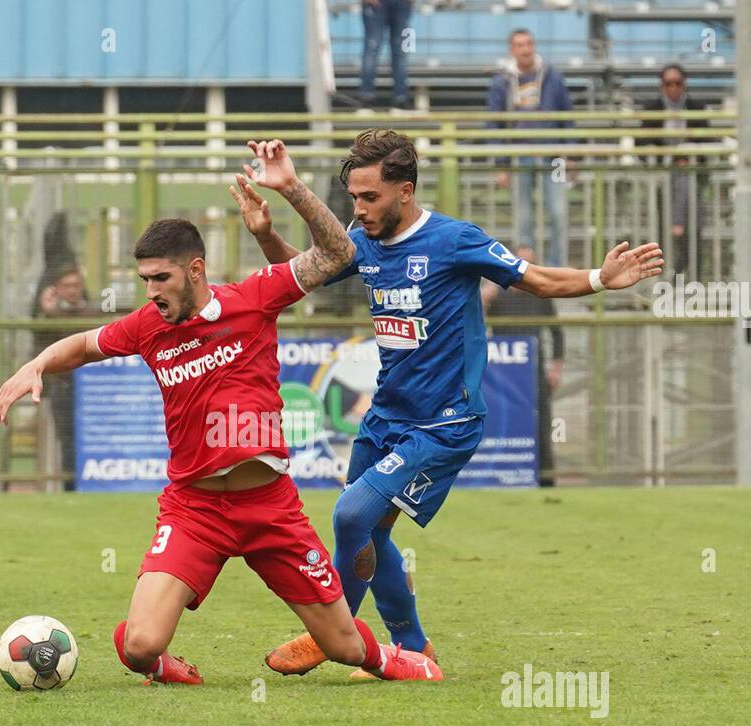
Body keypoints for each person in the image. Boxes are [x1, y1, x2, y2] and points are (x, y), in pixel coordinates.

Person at [0, 139, 442, 686]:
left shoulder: (254, 297)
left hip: (269, 508)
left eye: (162, 279)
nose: (152, 292)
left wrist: (292, 189)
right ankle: (163, 664)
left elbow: (337, 256)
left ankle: (396, 657)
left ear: (195, 269)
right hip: (194, 510)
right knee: (138, 647)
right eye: (145, 281)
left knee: (345, 648)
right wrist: (36, 362)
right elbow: (85, 345)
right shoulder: (147, 326)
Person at [237, 128, 661, 676]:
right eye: (354, 198)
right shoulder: (361, 239)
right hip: (386, 414)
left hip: (443, 422)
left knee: (351, 515)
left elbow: (535, 280)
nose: (359, 209)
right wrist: (267, 236)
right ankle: (413, 644)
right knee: (372, 529)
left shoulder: (454, 240)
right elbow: (309, 273)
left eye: (370, 198)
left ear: (405, 192)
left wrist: (600, 278)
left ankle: (332, 632)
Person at [488, 29, 574, 267]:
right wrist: (501, 165)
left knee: (558, 213)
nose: (525, 49)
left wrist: (572, 155)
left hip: (553, 156)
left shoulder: (552, 76)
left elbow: (567, 116)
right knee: (523, 217)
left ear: (533, 45)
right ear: (512, 49)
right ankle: (526, 271)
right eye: (519, 45)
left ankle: (557, 268)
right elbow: (493, 124)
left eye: (528, 43)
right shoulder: (502, 80)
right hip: (518, 155)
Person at [481, 245, 564, 487]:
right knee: (500, 420)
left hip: (534, 369)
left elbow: (557, 332)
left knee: (542, 420)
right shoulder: (498, 294)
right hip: (503, 371)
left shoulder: (541, 296)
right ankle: (500, 476)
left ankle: (546, 478)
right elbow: (475, 320)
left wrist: (556, 367)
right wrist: (485, 298)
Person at [639, 64, 709, 279]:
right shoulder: (652, 108)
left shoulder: (697, 108)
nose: (673, 88)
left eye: (677, 83)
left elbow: (707, 139)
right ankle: (675, 266)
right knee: (677, 214)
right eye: (668, 83)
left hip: (690, 172)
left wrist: (686, 155)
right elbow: (641, 142)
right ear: (662, 86)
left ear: (684, 84)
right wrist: (667, 157)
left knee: (686, 188)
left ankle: (678, 235)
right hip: (662, 174)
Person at [32, 264, 90, 491]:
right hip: (64, 388)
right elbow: (43, 347)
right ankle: (71, 488)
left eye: (76, 285)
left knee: (94, 438)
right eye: (67, 286)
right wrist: (48, 314)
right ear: (57, 289)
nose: (72, 290)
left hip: (94, 390)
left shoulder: (94, 312)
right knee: (67, 441)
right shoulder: (49, 316)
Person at [356, 0, 413, 110]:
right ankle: (366, 96)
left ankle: (401, 97)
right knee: (373, 47)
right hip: (378, 5)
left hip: (401, 4)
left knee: (398, 51)